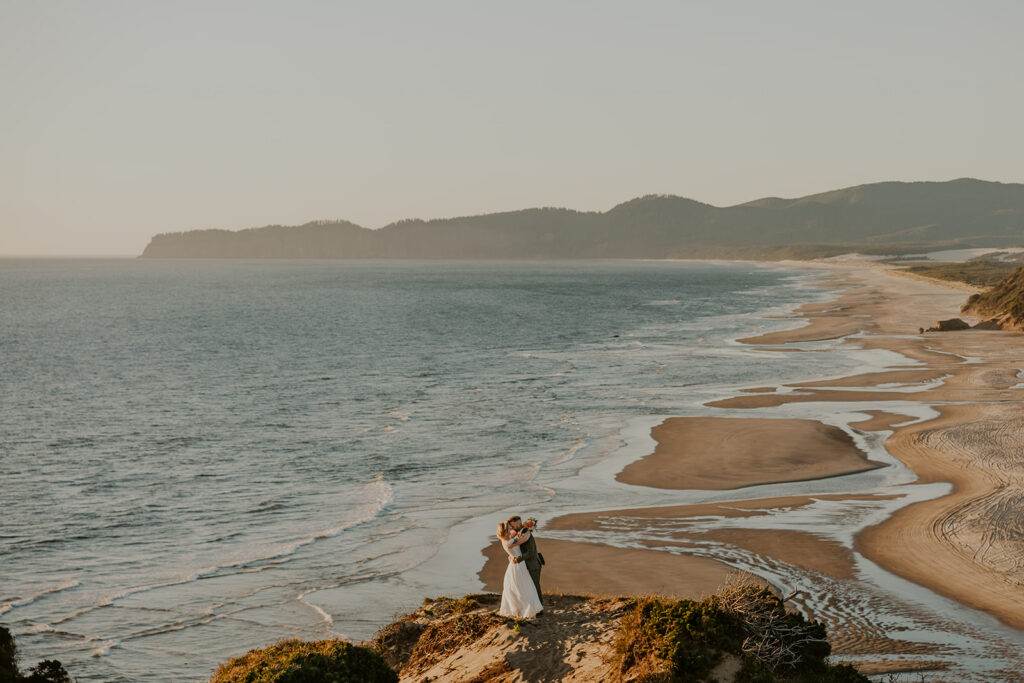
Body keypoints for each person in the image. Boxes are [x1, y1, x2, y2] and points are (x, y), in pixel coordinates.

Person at [497, 519, 543, 619]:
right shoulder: (510, 541)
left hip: (518, 564)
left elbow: (518, 535)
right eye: (509, 527)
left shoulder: (507, 538)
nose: (511, 529)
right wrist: (529, 531)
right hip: (518, 564)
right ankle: (528, 608)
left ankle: (533, 607)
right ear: (505, 531)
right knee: (524, 587)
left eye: (511, 526)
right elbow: (524, 539)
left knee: (525, 587)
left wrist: (527, 529)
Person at [507, 515, 543, 609]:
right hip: (525, 565)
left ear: (518, 522)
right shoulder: (519, 533)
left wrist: (517, 559)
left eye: (513, 525)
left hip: (533, 564)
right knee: (530, 588)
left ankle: (540, 609)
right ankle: (534, 607)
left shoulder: (527, 533)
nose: (512, 528)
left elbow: (530, 552)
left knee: (535, 587)